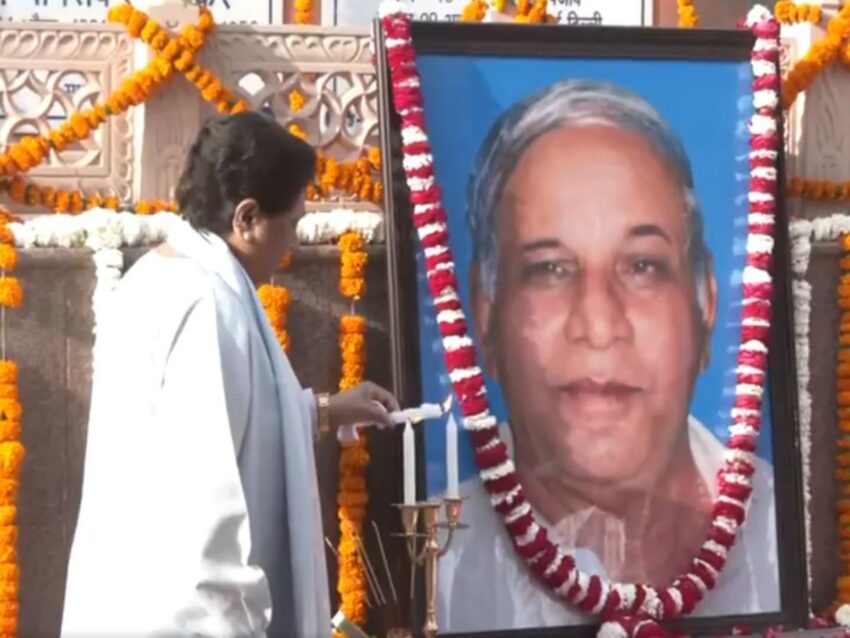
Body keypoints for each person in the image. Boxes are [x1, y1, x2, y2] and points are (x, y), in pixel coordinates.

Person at [437, 80, 778, 631]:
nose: (599, 325)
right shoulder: (439, 559)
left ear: (706, 304)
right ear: (485, 314)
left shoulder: (776, 529)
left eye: (642, 266)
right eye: (549, 269)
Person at [61, 112, 399, 637]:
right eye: (291, 224)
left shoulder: (164, 274)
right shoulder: (206, 304)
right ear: (247, 218)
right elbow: (208, 510)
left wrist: (323, 411)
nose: (291, 247)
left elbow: (228, 422)